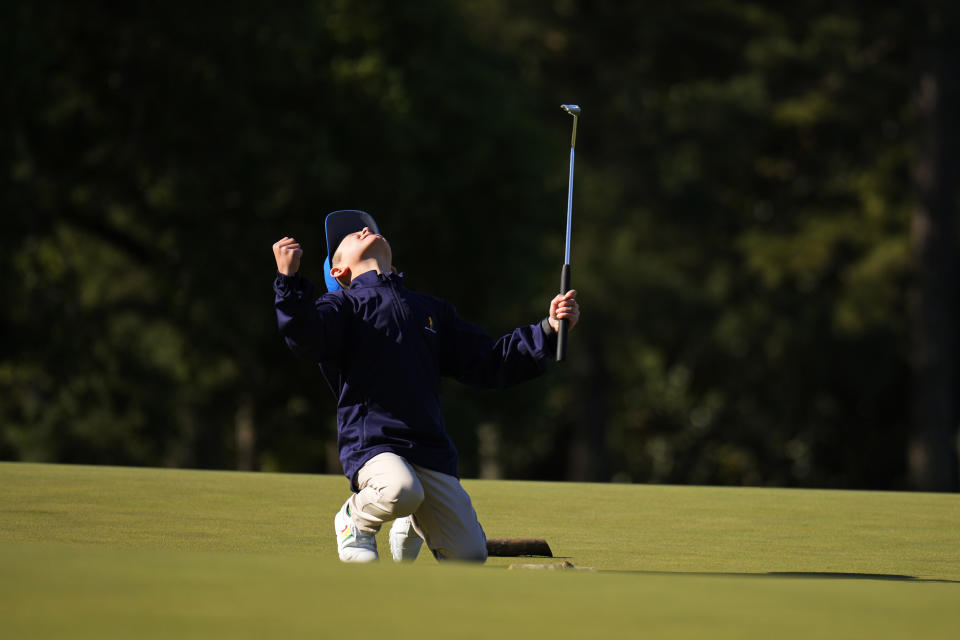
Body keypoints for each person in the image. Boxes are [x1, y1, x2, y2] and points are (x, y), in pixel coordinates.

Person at [272, 210, 580, 562]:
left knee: (469, 555)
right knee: (401, 489)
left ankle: (411, 520)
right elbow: (304, 337)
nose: (363, 230)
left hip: (429, 449)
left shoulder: (430, 310)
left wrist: (547, 329)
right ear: (338, 271)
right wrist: (289, 281)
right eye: (351, 237)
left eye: (369, 229)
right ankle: (354, 520)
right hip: (374, 445)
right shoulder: (340, 305)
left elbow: (490, 362)